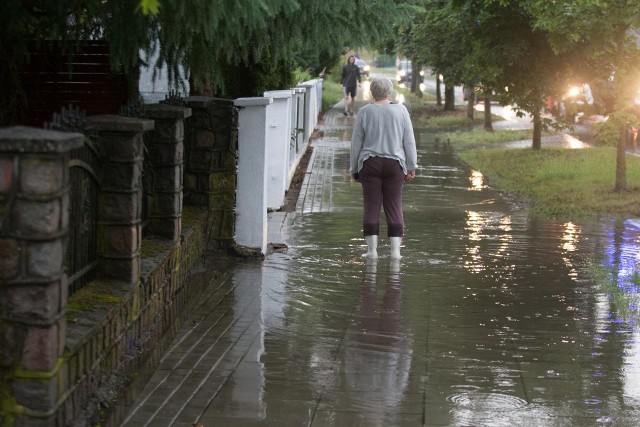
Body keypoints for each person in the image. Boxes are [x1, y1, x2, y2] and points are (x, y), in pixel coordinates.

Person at [350, 77, 417, 259]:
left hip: (369, 164)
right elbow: (409, 141)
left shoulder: (365, 111)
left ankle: (372, 252)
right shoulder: (401, 111)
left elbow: (356, 142)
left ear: (372, 92)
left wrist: (354, 168)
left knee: (371, 206)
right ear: (389, 91)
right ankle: (395, 253)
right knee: (394, 206)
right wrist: (411, 166)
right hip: (395, 164)